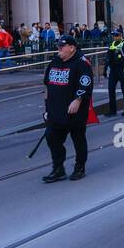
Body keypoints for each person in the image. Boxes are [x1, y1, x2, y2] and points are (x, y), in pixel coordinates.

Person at [42, 34, 94, 182]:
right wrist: (47, 108)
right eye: (58, 46)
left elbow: (85, 84)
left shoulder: (82, 63)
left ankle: (80, 167)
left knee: (78, 138)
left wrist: (77, 100)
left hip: (74, 111)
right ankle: (58, 168)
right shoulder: (55, 61)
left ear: (71, 48)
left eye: (62, 46)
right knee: (52, 137)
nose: (59, 49)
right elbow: (47, 84)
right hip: (55, 110)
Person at [103, 27, 124, 116]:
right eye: (113, 35)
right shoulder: (111, 44)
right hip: (113, 70)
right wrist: (105, 70)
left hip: (123, 69)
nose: (115, 37)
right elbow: (108, 58)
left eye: (116, 35)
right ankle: (112, 111)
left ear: (121, 35)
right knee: (111, 89)